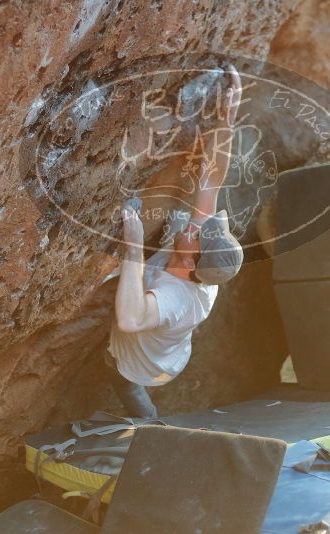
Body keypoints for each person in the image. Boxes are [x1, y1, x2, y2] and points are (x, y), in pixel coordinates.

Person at [102, 66, 244, 418]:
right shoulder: (201, 263)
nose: (198, 227)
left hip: (143, 366)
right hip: (172, 348)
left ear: (192, 263)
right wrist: (228, 119)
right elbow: (212, 180)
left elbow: (130, 321)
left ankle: (148, 420)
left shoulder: (176, 299)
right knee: (183, 218)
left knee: (115, 370)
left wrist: (134, 247)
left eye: (197, 237)